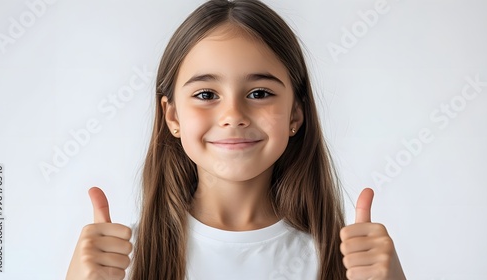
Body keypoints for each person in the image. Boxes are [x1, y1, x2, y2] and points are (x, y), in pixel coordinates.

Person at [66, 0, 407, 279]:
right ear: (172, 117)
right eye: (205, 93)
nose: (233, 114)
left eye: (259, 93)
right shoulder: (120, 263)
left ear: (295, 115)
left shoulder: (350, 264)